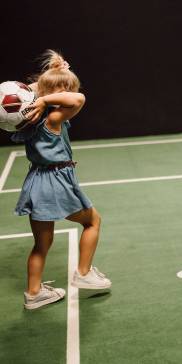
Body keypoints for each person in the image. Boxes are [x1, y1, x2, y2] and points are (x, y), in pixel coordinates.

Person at [12, 49, 111, 310]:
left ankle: (34, 294)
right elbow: (78, 98)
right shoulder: (54, 116)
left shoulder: (28, 119)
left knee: (41, 244)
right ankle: (84, 273)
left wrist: (44, 91)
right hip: (57, 180)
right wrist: (47, 99)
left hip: (36, 181)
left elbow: (43, 89)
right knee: (93, 221)